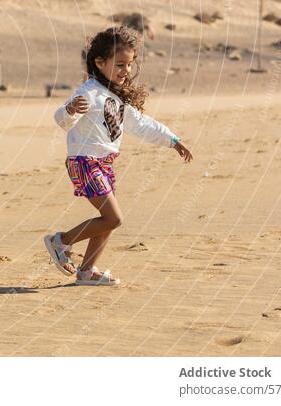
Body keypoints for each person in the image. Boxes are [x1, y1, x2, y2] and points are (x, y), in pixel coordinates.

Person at [44, 26, 193, 285]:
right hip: (84, 161)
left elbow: (143, 125)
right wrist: (68, 110)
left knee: (107, 222)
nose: (126, 71)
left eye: (129, 65)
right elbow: (63, 121)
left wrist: (173, 140)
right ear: (100, 62)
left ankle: (87, 272)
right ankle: (61, 241)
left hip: (103, 163)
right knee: (114, 218)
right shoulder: (88, 92)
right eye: (120, 64)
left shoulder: (116, 96)